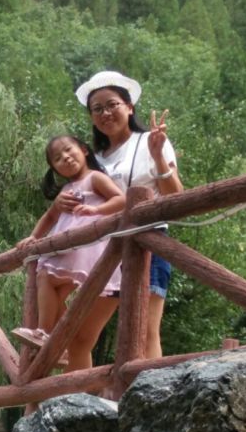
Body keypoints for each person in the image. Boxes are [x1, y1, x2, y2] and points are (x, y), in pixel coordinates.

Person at [59, 70, 184, 359]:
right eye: (97, 109)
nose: (105, 113)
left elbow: (175, 196)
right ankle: (77, 391)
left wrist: (157, 157)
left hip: (147, 241)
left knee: (145, 332)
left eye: (112, 104)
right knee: (80, 337)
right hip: (104, 249)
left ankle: (149, 389)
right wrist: (63, 202)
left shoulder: (152, 141)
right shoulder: (94, 160)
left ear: (129, 107)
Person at [13, 135, 126, 371]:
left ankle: (44, 333)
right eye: (57, 158)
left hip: (88, 248)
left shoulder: (95, 178)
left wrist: (96, 210)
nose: (65, 157)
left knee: (46, 276)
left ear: (83, 150)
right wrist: (34, 237)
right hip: (71, 249)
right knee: (52, 290)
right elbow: (50, 217)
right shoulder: (65, 190)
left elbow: (121, 199)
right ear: (55, 169)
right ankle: (56, 341)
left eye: (68, 150)